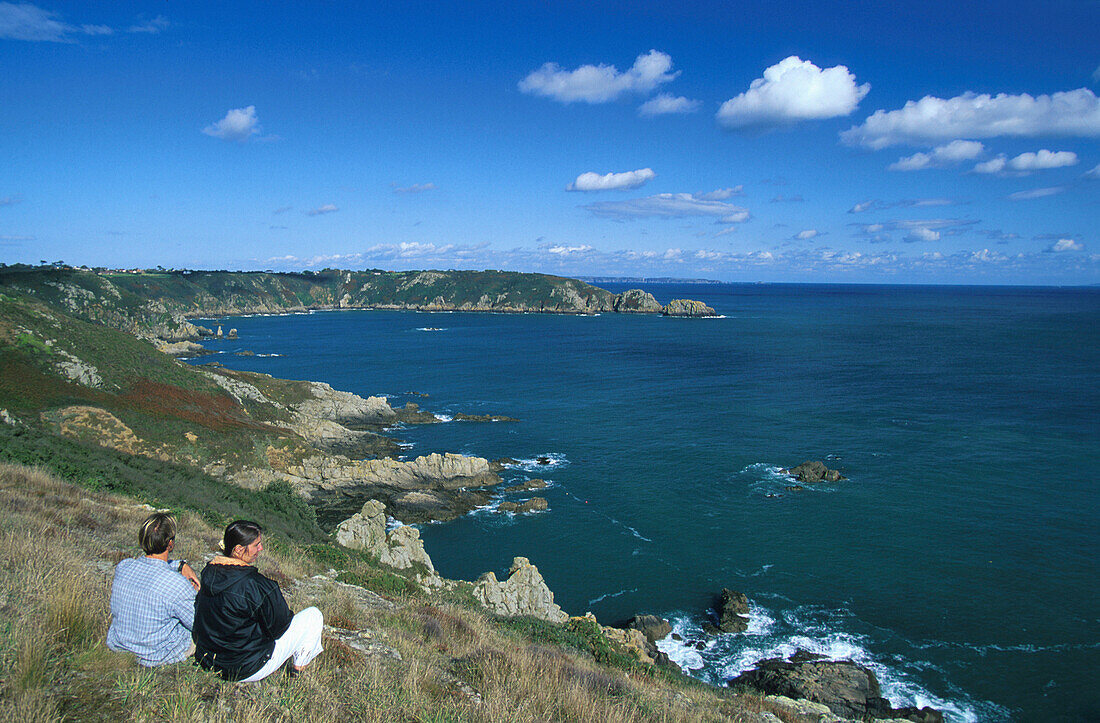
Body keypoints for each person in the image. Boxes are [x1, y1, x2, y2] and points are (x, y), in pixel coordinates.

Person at [192, 520, 323, 681]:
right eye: (256, 545)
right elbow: (280, 628)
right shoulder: (257, 585)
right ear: (239, 550)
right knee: (314, 615)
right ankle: (297, 672)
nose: (260, 549)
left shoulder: (209, 572)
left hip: (208, 660)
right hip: (244, 668)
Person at [106, 512, 200, 666]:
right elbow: (198, 625)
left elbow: (154, 565)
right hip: (155, 654)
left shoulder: (124, 567)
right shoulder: (175, 584)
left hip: (120, 645)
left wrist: (180, 565)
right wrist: (198, 595)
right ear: (170, 544)